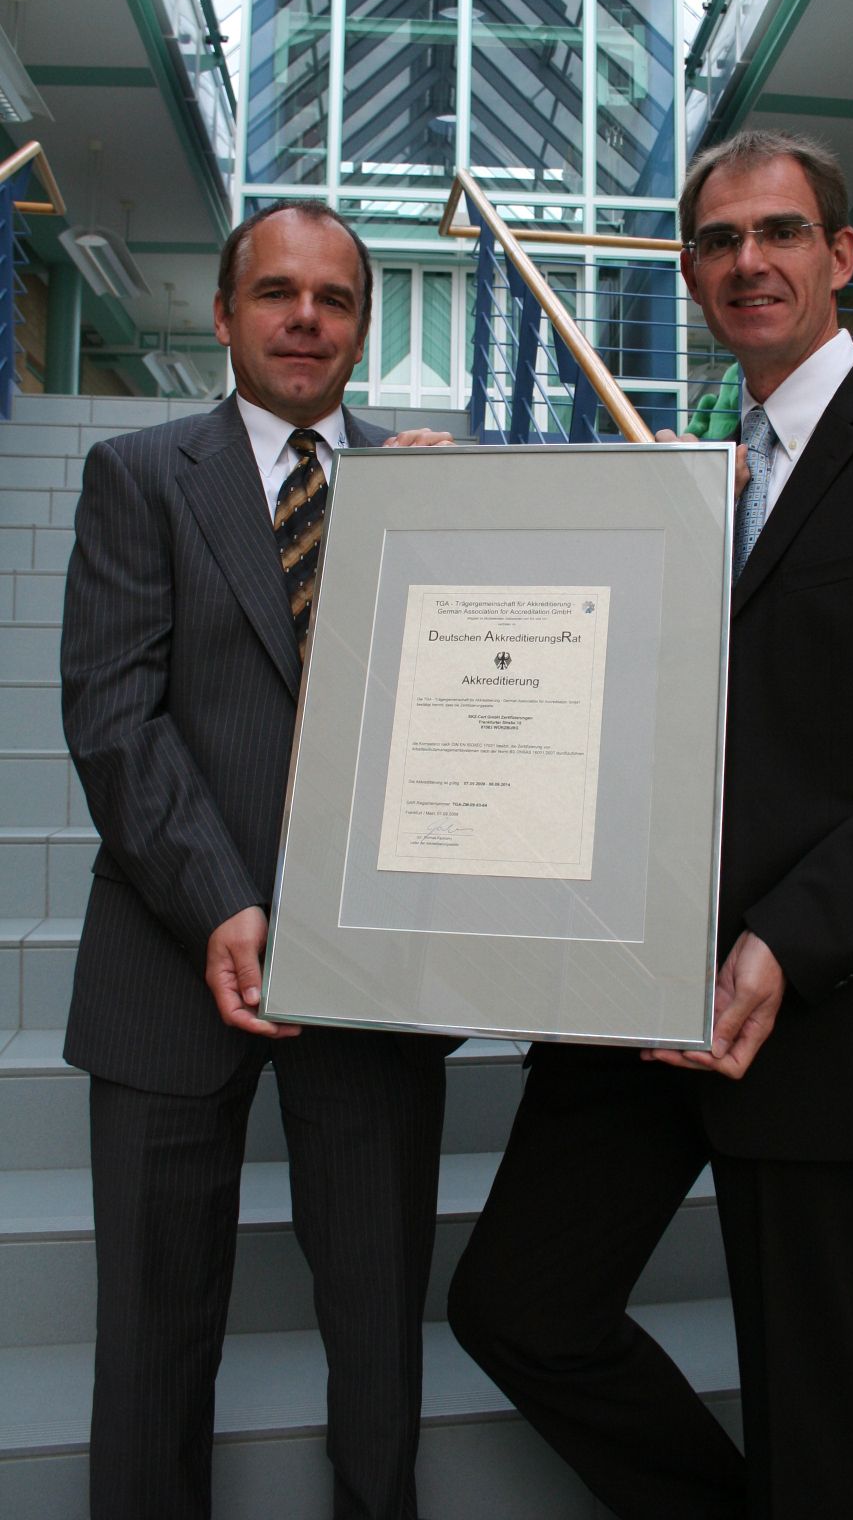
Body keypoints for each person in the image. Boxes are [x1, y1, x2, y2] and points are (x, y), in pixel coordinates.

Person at [447, 130, 853, 1517]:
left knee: (812, 1416)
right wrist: (440, 504)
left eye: (780, 232)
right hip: (638, 993)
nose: (748, 261)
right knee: (517, 1305)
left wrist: (791, 938)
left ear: (840, 255)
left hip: (821, 1002)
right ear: (690, 273)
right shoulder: (697, 473)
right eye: (719, 241)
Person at [61, 199, 455, 1520]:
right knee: (152, 1339)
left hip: (373, 971)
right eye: (277, 293)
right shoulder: (139, 475)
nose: (305, 318)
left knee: (379, 1330)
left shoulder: (421, 487)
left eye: (334, 299)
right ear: (226, 315)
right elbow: (113, 717)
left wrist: (465, 522)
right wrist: (219, 899)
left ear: (362, 328)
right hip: (170, 960)